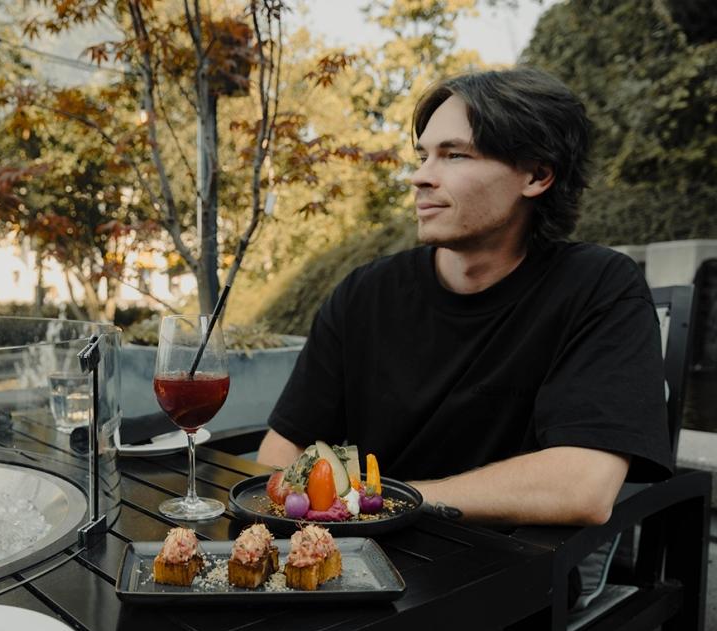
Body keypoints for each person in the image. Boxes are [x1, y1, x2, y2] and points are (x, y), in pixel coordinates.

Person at [257, 67, 672, 526]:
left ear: (536, 175)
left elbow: (583, 487)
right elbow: (283, 447)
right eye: (423, 156)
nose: (419, 178)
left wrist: (384, 503)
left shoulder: (598, 288)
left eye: (454, 155)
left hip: (504, 577)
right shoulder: (364, 293)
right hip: (350, 562)